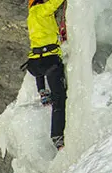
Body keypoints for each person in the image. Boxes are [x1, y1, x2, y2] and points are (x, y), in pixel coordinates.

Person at [24, 0, 68, 149]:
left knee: (42, 65)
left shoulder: (30, 17)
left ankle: (42, 91)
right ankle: (57, 136)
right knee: (59, 98)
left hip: (36, 63)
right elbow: (54, 4)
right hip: (49, 60)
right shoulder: (40, 10)